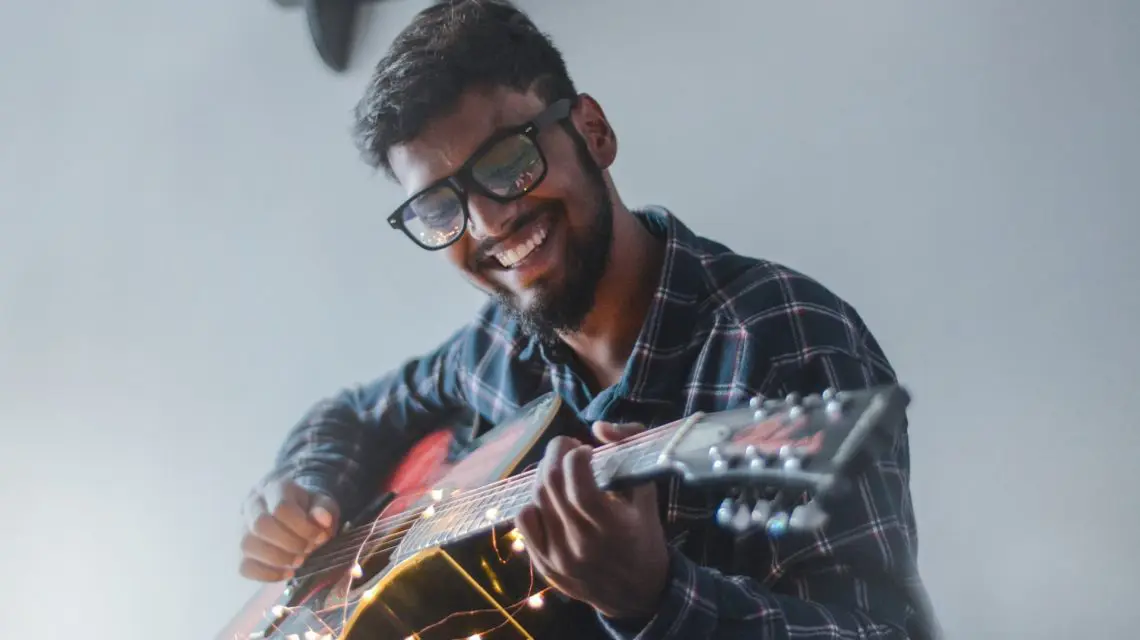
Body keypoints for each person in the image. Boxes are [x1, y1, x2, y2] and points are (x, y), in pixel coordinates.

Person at [238, 1, 929, 638]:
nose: (487, 223)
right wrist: (304, 487)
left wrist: (657, 597)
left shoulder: (787, 342)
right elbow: (353, 413)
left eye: (507, 161)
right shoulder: (499, 347)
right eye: (440, 208)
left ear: (593, 132)